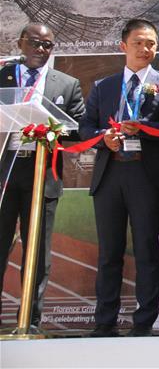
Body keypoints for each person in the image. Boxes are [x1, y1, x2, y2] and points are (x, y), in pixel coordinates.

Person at [79, 19, 159, 337]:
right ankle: (105, 321)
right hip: (109, 174)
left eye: (151, 43)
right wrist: (104, 138)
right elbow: (85, 128)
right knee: (109, 252)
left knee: (146, 250)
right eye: (138, 42)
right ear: (123, 46)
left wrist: (145, 129)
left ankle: (143, 323)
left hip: (145, 174)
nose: (145, 48)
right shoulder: (103, 86)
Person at [0, 24, 85, 329]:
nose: (41, 50)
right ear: (21, 42)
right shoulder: (2, 75)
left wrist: (53, 129)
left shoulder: (67, 83)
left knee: (37, 251)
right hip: (4, 174)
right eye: (35, 43)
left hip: (42, 176)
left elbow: (78, 128)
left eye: (47, 45)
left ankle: (30, 321)